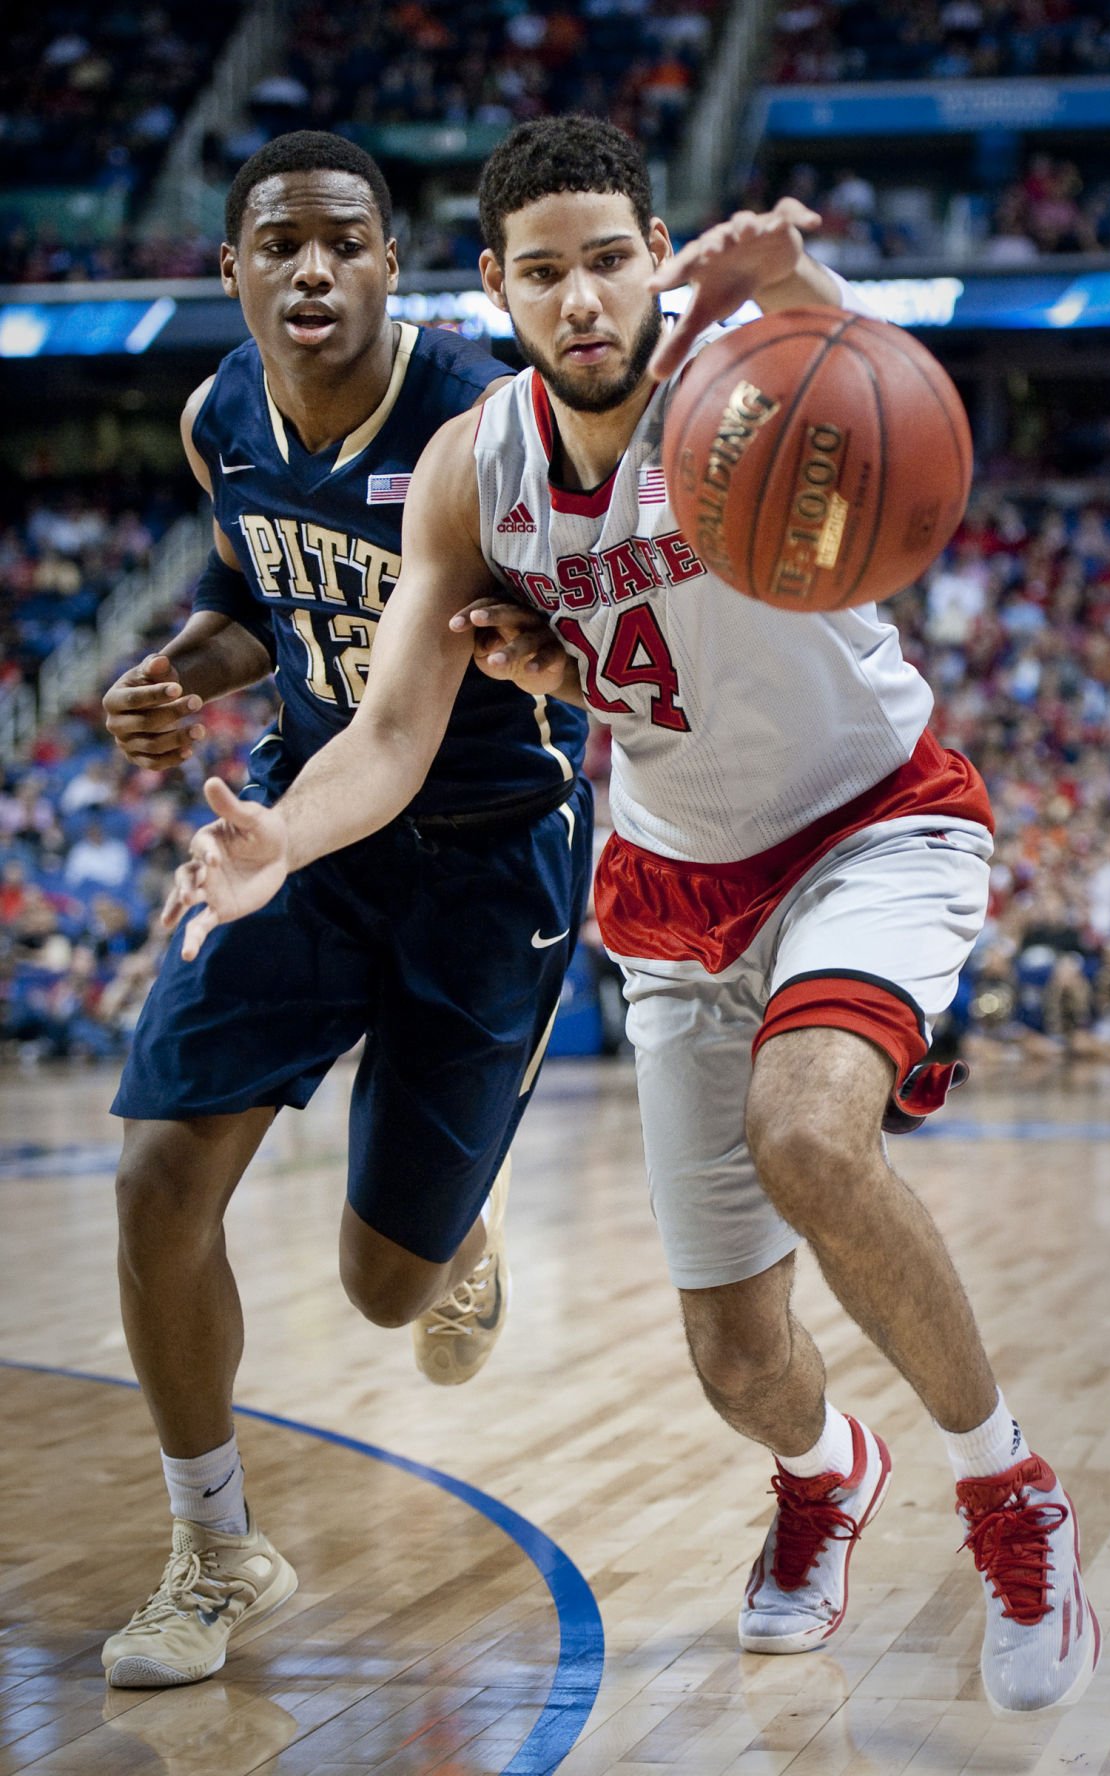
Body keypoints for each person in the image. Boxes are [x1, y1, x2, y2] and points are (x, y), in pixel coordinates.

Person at [168, 117, 1100, 1716]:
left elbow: (882, 392)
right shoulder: (475, 467)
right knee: (739, 1364)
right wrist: (282, 841)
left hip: (869, 826)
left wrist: (798, 279)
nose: (584, 297)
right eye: (545, 273)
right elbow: (391, 731)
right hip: (673, 881)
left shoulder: (746, 372)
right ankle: (827, 1478)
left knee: (812, 1135)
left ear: (654, 258)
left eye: (612, 258)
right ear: (495, 290)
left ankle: (1012, 1500)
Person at [98, 130, 592, 1690]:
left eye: (346, 240)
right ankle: (213, 1544)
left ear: (396, 265)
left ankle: (462, 1220)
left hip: (489, 848)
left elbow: (531, 663)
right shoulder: (214, 417)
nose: (313, 268)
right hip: (302, 820)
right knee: (159, 1174)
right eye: (280, 244)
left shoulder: (482, 425)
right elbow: (258, 605)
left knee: (392, 1293)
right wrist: (179, 676)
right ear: (232, 268)